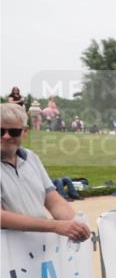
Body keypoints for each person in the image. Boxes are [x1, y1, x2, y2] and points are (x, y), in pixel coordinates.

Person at [0, 104, 90, 243]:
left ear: (25, 131)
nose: (6, 136)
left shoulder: (31, 158)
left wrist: (76, 224)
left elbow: (53, 201)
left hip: (36, 249)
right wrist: (55, 226)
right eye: (0, 131)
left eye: (14, 131)